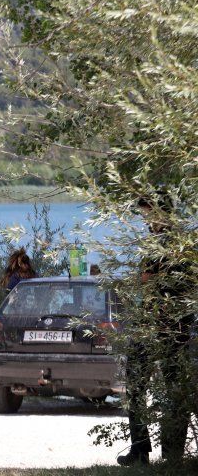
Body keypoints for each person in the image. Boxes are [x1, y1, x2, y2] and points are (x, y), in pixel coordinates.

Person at [117, 197, 192, 466]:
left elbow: (146, 280)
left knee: (137, 385)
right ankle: (172, 454)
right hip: (179, 326)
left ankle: (141, 451)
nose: (146, 222)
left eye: (148, 216)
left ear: (161, 214)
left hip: (155, 326)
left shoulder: (160, 244)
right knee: (174, 388)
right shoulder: (185, 242)